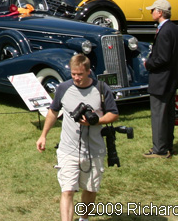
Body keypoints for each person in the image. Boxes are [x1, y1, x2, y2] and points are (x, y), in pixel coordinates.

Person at [36, 54, 119, 221]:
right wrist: (43, 135)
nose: (76, 78)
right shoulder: (63, 88)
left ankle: (84, 218)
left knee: (90, 189)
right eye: (73, 74)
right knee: (67, 190)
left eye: (80, 74)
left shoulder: (101, 89)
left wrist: (96, 121)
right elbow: (53, 112)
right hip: (68, 149)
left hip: (94, 149)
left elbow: (114, 114)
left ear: (89, 71)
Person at [143, 0, 178, 158]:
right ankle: (167, 146)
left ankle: (159, 149)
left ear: (159, 12)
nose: (151, 12)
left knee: (159, 115)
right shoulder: (173, 28)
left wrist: (148, 63)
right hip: (171, 78)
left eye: (152, 10)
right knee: (168, 115)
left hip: (161, 79)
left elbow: (163, 57)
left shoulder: (165, 31)